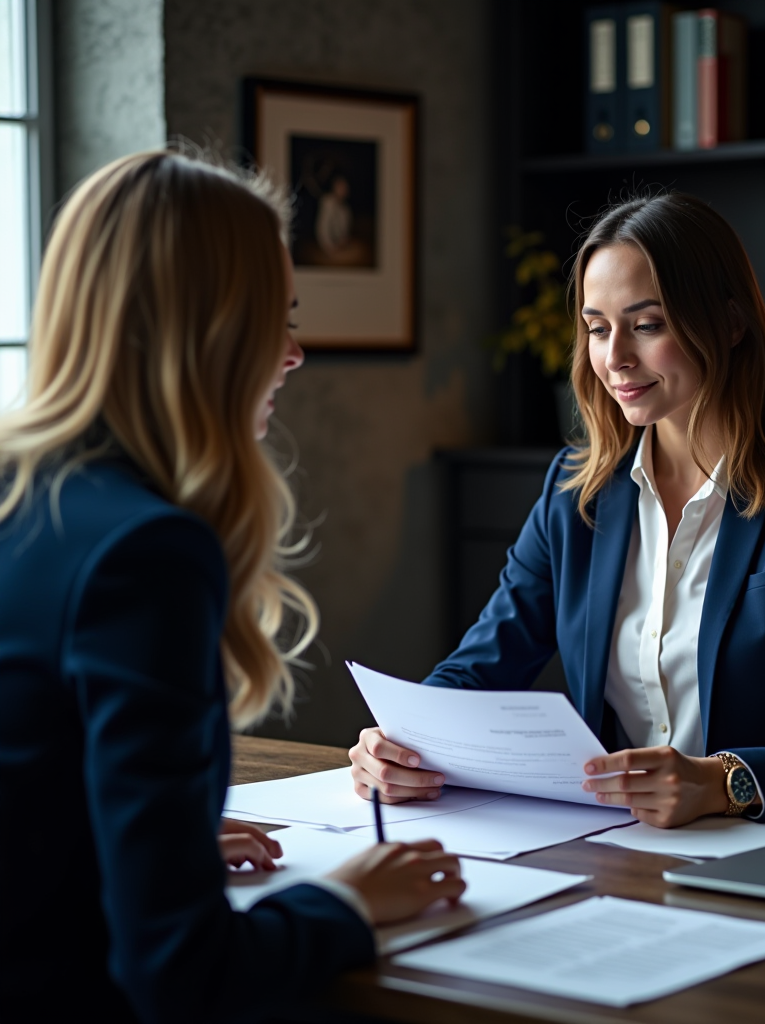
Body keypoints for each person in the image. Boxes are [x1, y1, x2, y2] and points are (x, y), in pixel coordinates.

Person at [0, 150, 464, 1023]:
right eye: (273, 319)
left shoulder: (19, 494)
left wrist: (133, 847)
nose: (293, 353)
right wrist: (348, 902)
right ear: (202, 331)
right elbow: (181, 977)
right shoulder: (147, 552)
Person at [350, 192, 765, 827]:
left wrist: (725, 782)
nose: (615, 358)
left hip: (764, 844)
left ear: (730, 323)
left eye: (647, 325)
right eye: (598, 328)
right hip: (614, 843)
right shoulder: (577, 492)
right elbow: (478, 669)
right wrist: (399, 744)